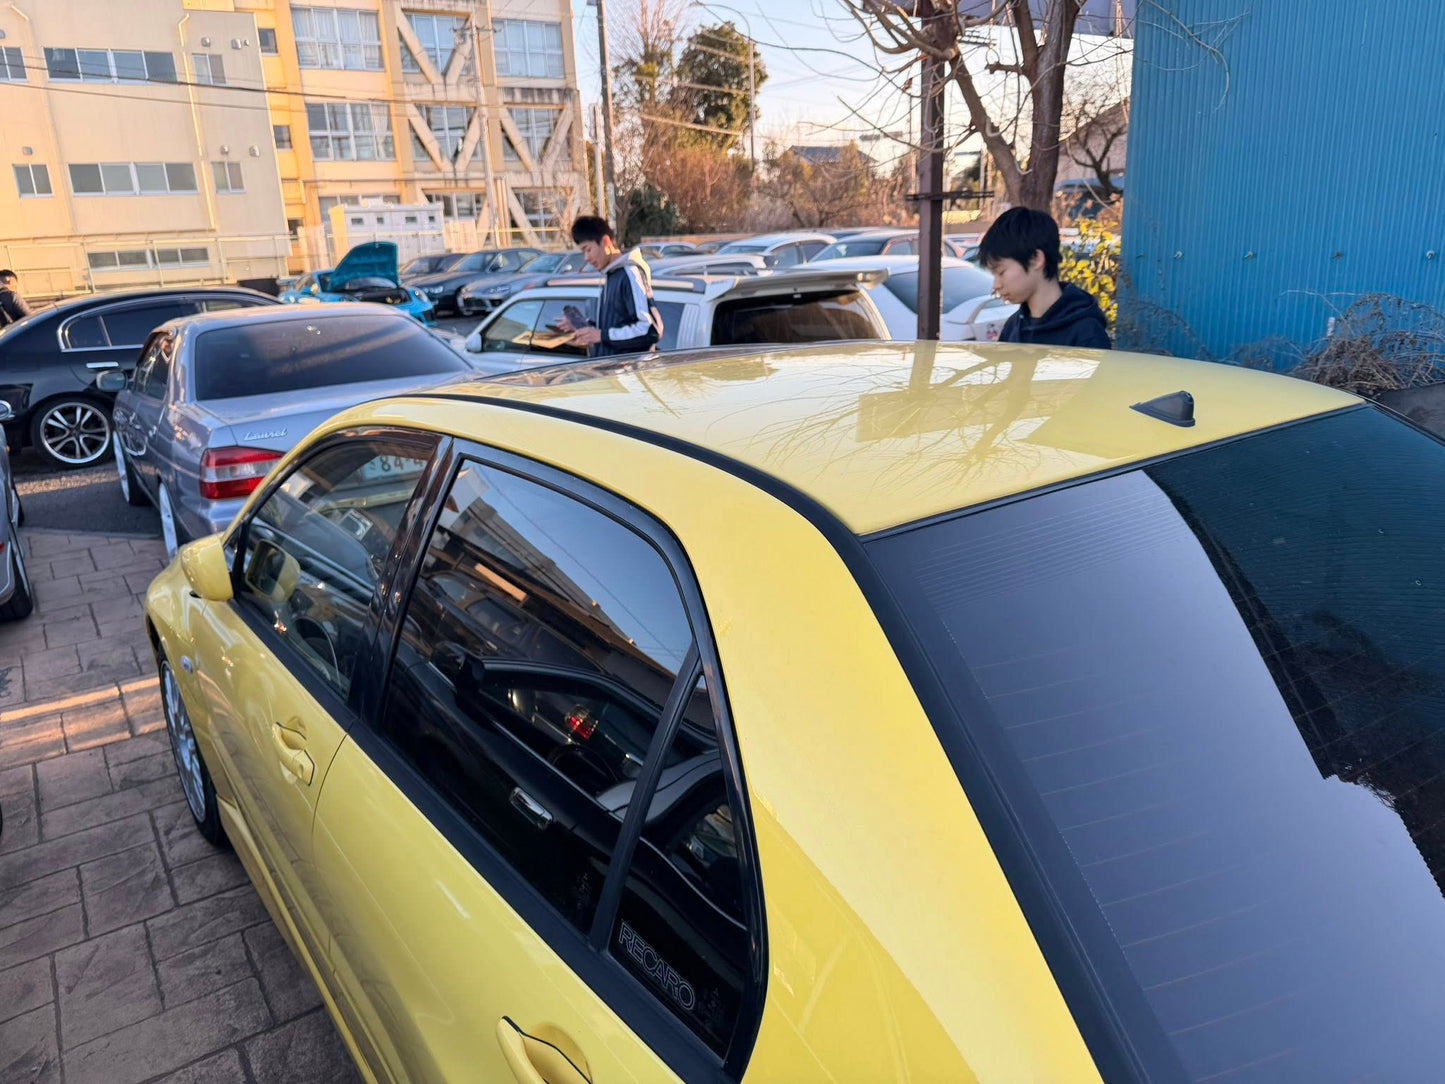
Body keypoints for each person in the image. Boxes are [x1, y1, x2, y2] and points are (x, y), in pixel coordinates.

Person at [977, 208, 1111, 349]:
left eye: (1001, 272)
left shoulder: (1086, 333)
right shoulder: (1013, 326)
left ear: (1036, 259)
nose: (996, 285)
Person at [556, 216, 662, 358]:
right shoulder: (611, 275)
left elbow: (650, 329)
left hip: (630, 376)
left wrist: (601, 335)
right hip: (610, 375)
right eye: (583, 252)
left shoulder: (629, 274)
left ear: (605, 241)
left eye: (588, 249)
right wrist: (582, 326)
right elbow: (616, 325)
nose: (586, 258)